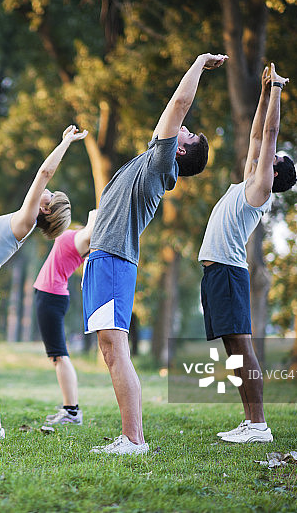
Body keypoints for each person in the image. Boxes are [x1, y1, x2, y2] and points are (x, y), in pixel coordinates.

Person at [83, 53, 227, 455]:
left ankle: (134, 440)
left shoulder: (162, 165)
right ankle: (130, 436)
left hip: (113, 260)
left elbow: (178, 106)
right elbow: (171, 117)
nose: (184, 128)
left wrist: (198, 64)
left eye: (188, 134)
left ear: (179, 152)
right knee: (110, 350)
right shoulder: (153, 156)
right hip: (102, 259)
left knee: (116, 349)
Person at [0, 125, 87, 440]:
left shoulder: (25, 221)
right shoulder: (18, 218)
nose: (46, 190)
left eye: (50, 195)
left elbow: (44, 172)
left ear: (45, 208)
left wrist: (64, 141)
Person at [199, 63, 294, 444]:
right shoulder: (248, 181)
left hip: (228, 272)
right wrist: (263, 89)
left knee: (241, 346)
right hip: (216, 273)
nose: (267, 153)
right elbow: (258, 133)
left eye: (274, 157)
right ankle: (250, 422)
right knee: (233, 351)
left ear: (275, 171)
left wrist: (277, 91)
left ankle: (259, 426)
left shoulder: (260, 190)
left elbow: (270, 132)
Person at [35, 209, 97, 426]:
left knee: (60, 355)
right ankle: (69, 408)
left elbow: (94, 225)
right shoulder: (79, 236)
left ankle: (72, 411)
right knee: (56, 356)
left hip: (52, 297)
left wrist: (94, 213)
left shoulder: (83, 240)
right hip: (49, 296)